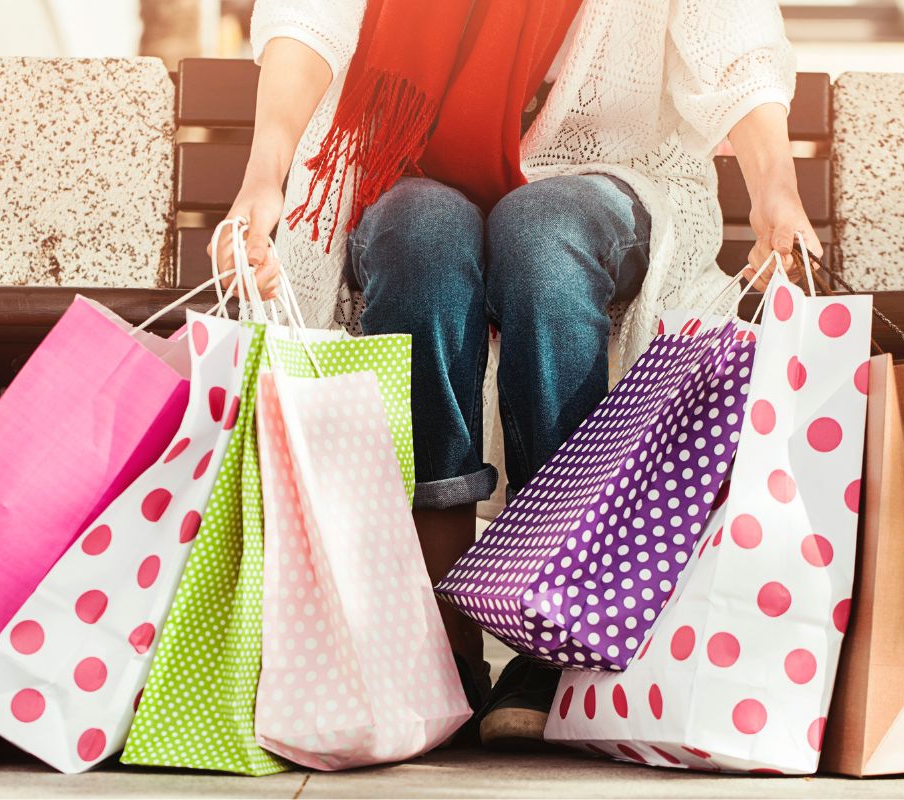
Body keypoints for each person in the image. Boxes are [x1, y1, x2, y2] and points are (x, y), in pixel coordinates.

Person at [215, 0, 819, 749]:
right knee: (423, 241)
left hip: (603, 177)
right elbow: (311, 24)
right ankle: (441, 635)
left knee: (540, 236)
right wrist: (264, 178)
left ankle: (548, 626)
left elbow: (735, 44)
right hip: (412, 170)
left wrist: (775, 191)